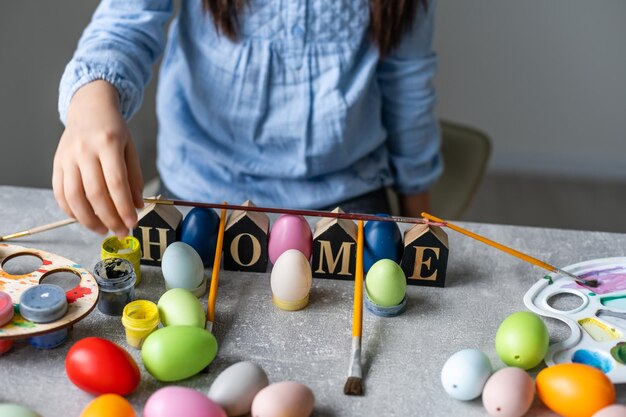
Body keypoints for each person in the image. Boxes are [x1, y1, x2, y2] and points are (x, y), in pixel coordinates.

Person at [54, 0, 443, 238]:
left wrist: (417, 208)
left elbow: (405, 79)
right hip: (202, 190)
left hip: (346, 193)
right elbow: (125, 23)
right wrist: (90, 100)